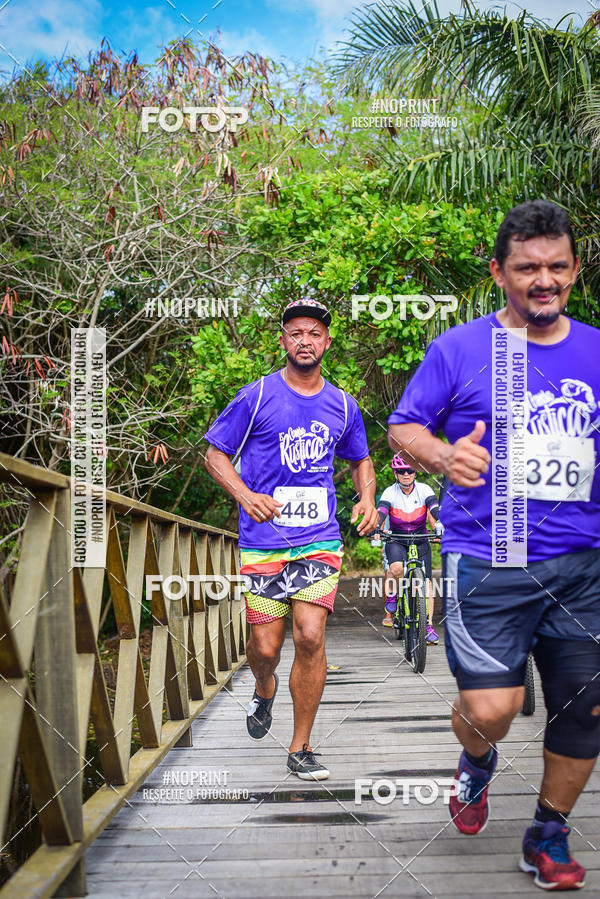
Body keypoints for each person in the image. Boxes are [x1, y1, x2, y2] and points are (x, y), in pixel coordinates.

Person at [388, 200, 600, 891]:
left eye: (557, 267)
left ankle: (547, 830)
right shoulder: (459, 348)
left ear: (575, 269)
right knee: (493, 710)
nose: (545, 280)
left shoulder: (596, 350)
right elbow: (404, 428)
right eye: (527, 268)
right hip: (490, 553)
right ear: (498, 273)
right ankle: (475, 762)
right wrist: (445, 458)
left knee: (586, 703)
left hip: (584, 562)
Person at [204, 298, 378, 780]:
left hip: (318, 539)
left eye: (314, 333)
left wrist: (366, 499)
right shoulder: (256, 396)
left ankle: (300, 747)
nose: (305, 340)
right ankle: (264, 688)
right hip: (262, 543)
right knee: (264, 649)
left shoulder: (343, 404)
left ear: (326, 342)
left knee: (310, 635)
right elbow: (215, 455)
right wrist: (244, 495)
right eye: (295, 332)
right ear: (283, 341)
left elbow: (360, 460)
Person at [377, 454, 442, 643]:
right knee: (395, 569)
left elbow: (434, 508)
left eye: (410, 470)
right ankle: (393, 596)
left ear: (415, 472)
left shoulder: (424, 489)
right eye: (401, 471)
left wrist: (441, 521)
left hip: (420, 539)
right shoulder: (390, 492)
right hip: (397, 539)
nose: (406, 474)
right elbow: (382, 511)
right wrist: (376, 526)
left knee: (427, 584)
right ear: (395, 473)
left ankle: (428, 626)